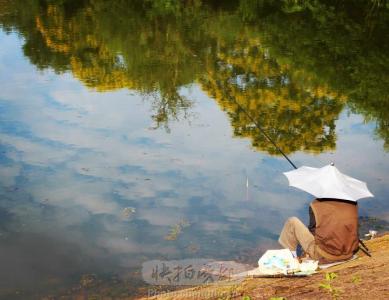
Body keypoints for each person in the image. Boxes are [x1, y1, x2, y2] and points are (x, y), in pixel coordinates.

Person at [278, 198, 359, 263]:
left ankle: (292, 259)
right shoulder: (352, 203)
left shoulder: (316, 205)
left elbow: (313, 231)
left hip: (327, 255)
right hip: (349, 253)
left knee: (292, 221)